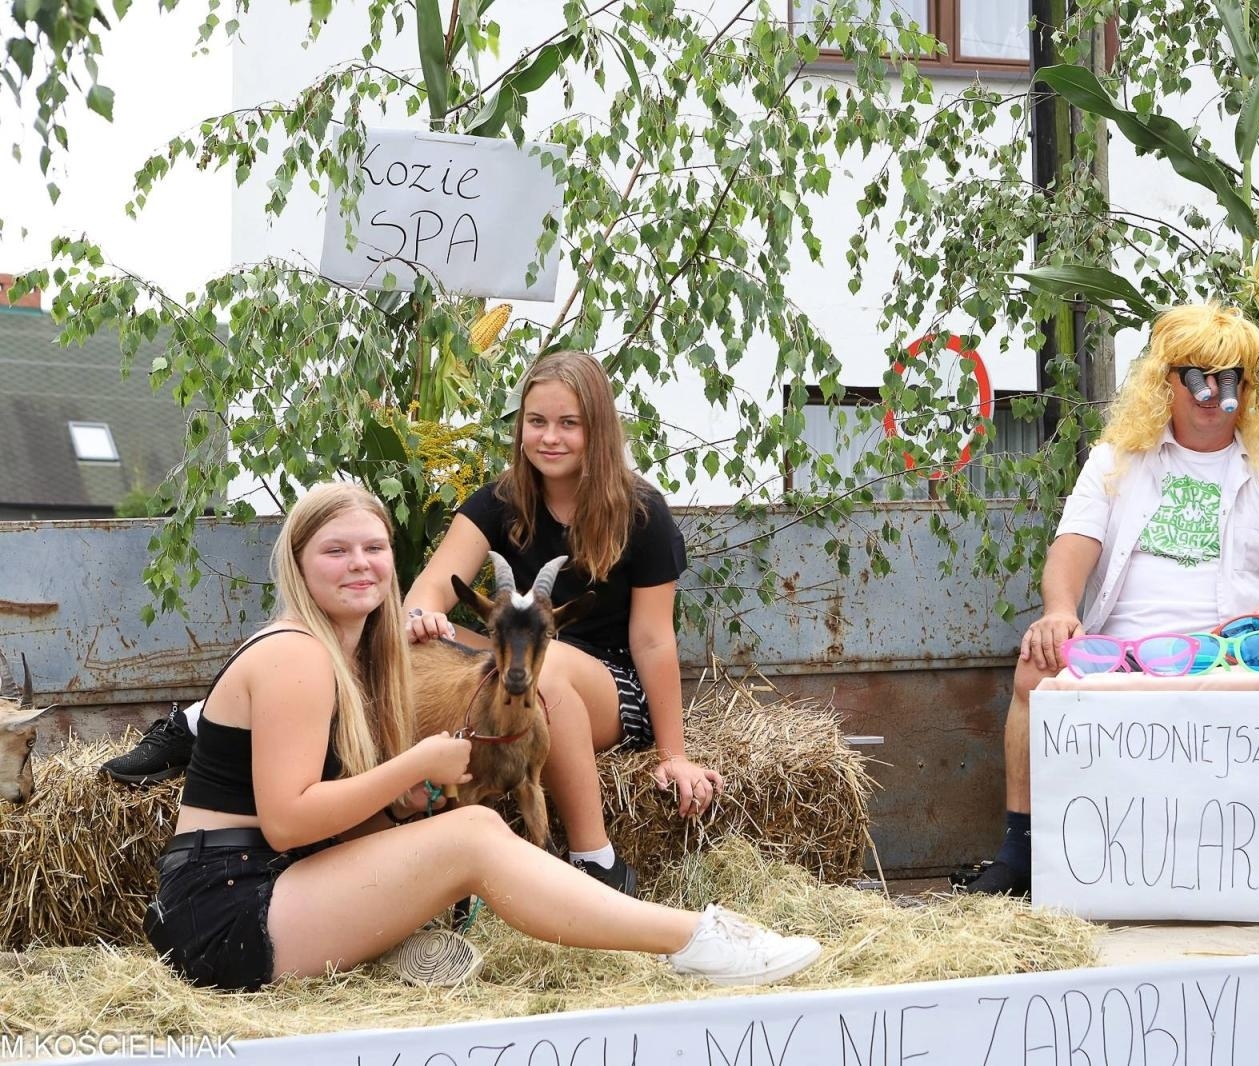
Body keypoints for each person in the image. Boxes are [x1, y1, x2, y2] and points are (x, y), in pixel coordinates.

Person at [143, 481, 821, 992]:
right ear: (297, 561)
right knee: (470, 835)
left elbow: (321, 815)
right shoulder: (296, 655)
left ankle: (400, 939)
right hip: (228, 910)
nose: (361, 564)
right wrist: (415, 763)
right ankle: (691, 938)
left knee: (463, 825)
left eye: (375, 548)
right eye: (335, 550)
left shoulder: (350, 658)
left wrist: (398, 806)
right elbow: (288, 821)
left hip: (274, 885)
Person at [959, 303, 1259, 903]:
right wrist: (1058, 610)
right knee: (1038, 661)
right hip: (1127, 648)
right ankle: (1019, 851)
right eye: (1197, 376)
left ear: (1245, 387)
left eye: (1229, 377)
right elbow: (1072, 547)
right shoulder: (1117, 460)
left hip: (1240, 648)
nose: (1213, 392)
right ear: (1167, 381)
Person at [401, 349, 719, 898]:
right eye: (537, 421)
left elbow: (651, 638)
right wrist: (423, 617)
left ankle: (597, 861)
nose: (550, 437)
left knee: (547, 672)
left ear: (596, 429)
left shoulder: (641, 513)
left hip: (605, 685)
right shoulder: (499, 501)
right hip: (512, 665)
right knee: (406, 646)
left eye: (568, 423)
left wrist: (674, 756)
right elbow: (428, 590)